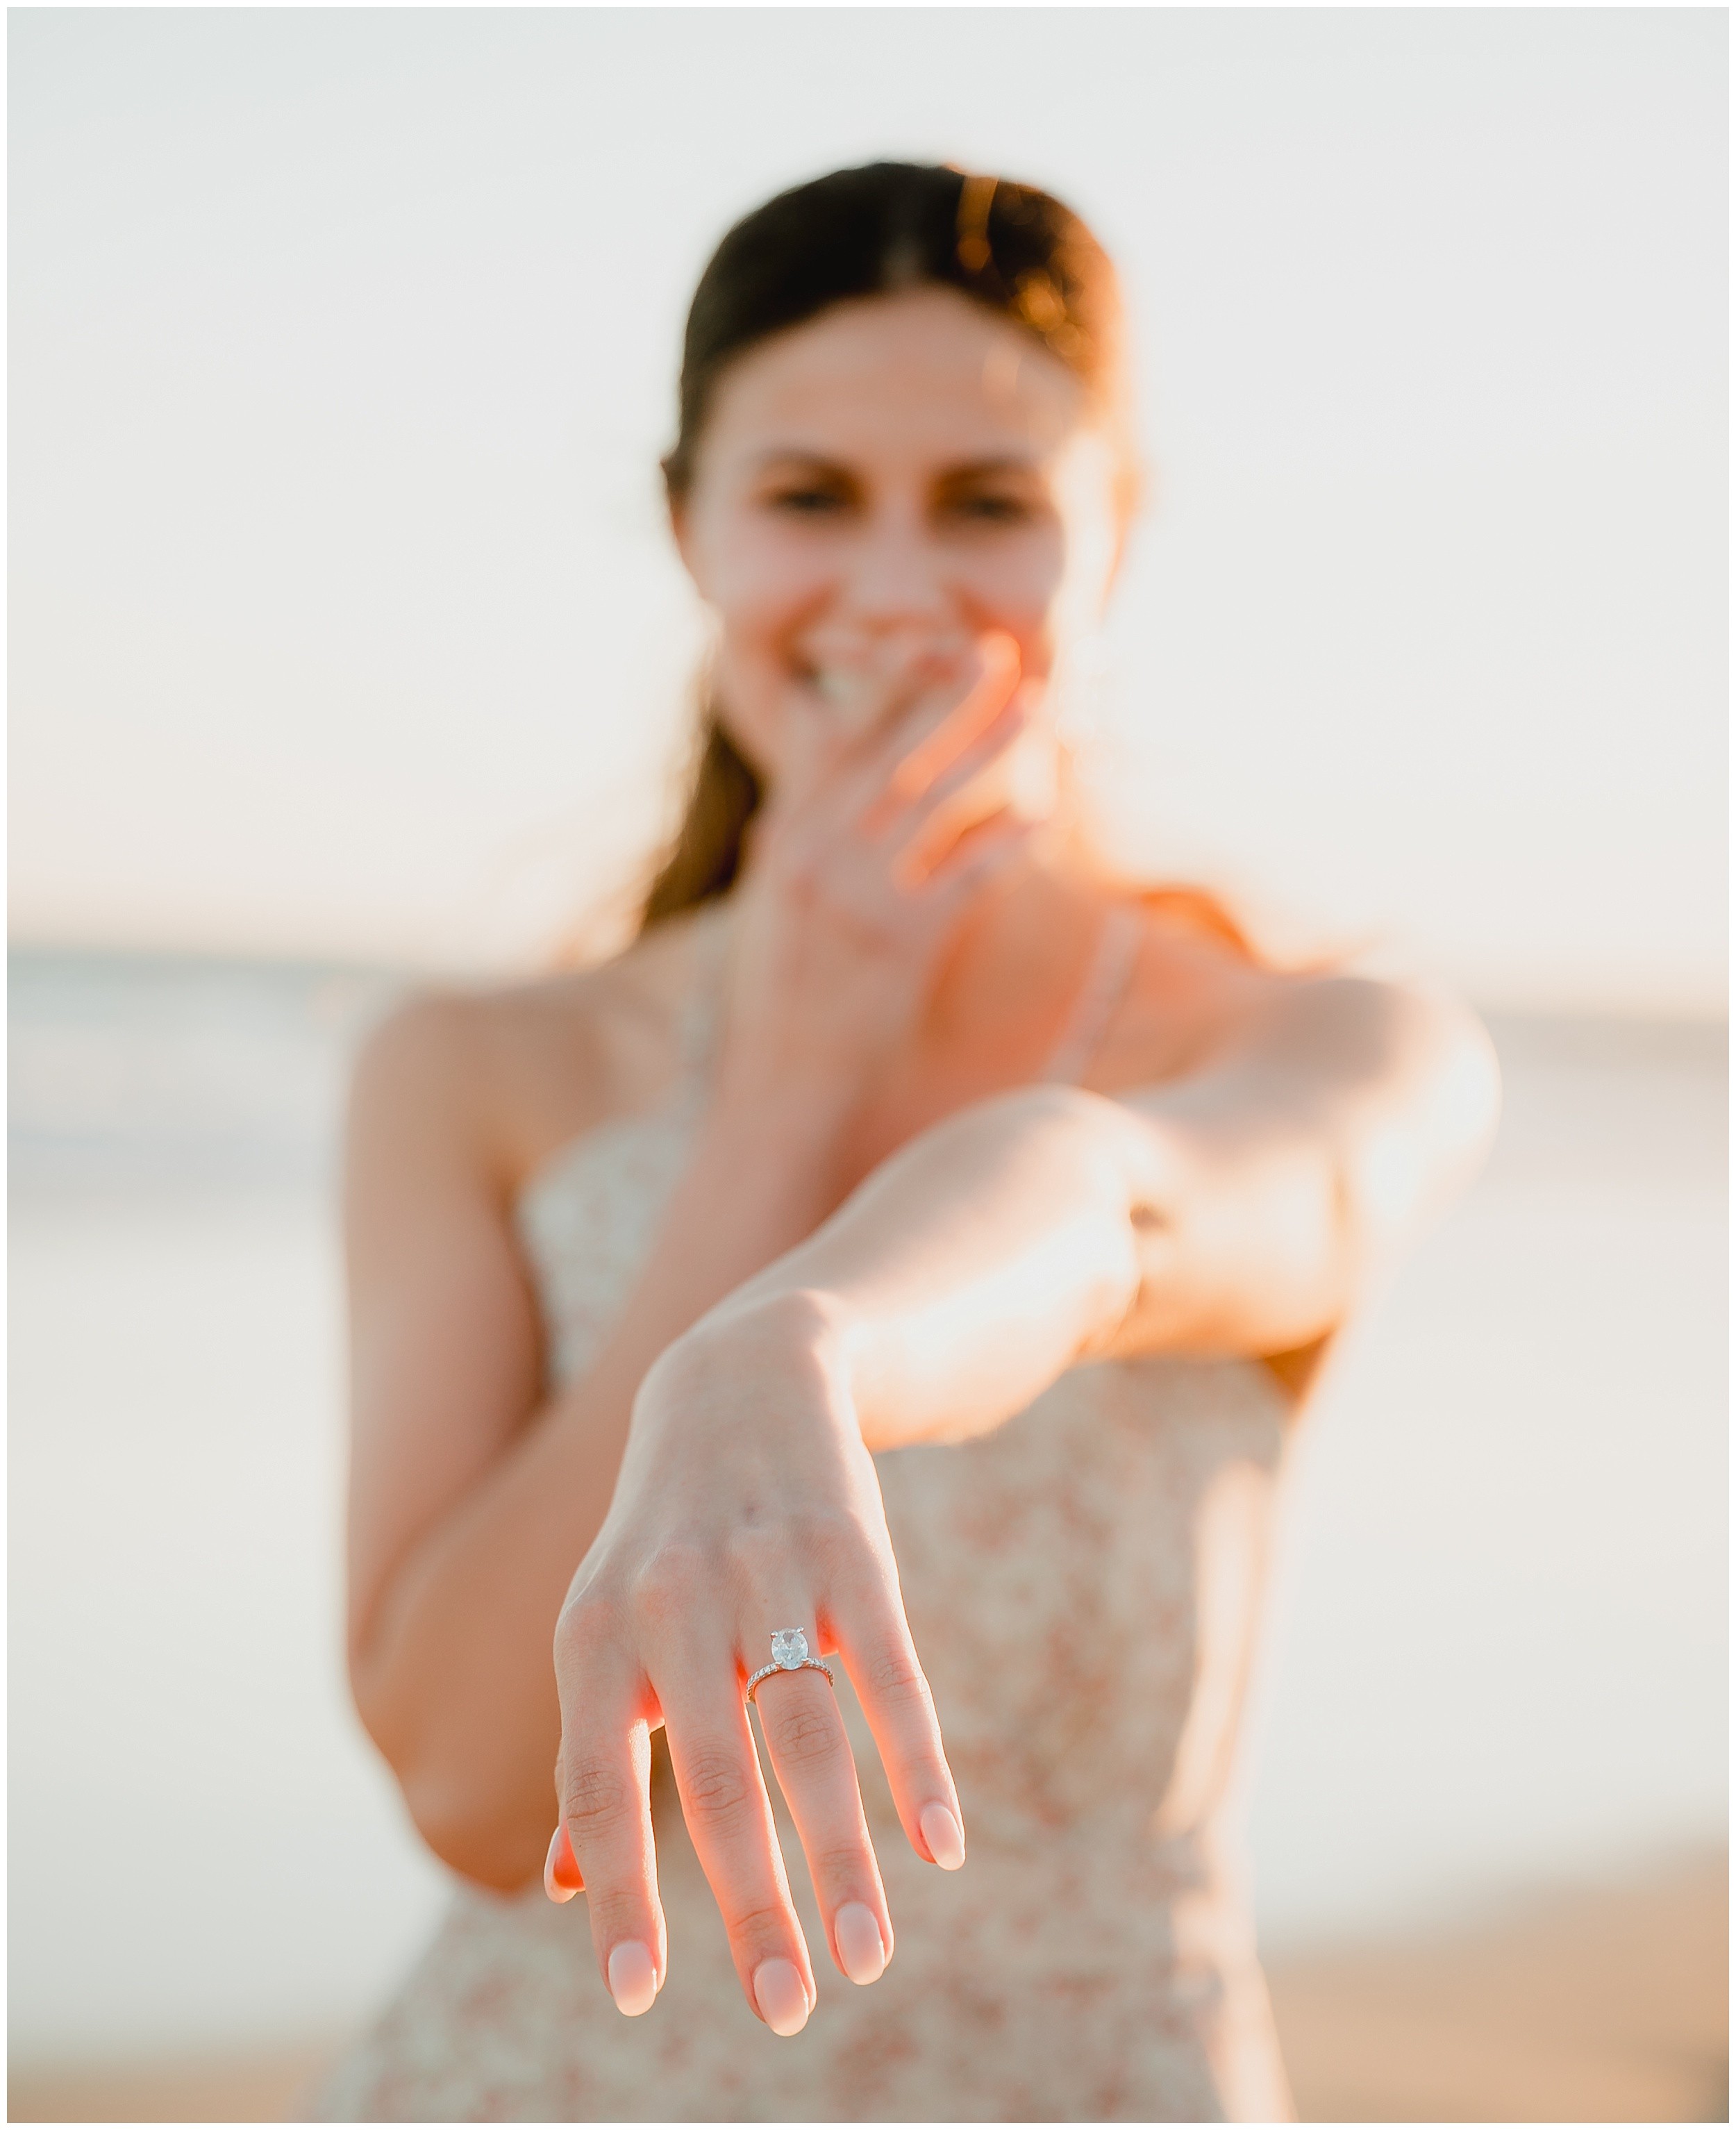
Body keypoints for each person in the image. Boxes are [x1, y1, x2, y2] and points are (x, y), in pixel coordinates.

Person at [319, 161, 1499, 2122]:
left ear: (1111, 543)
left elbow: (1110, 1203)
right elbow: (469, 1789)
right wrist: (773, 1106)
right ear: (689, 526)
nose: (890, 586)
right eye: (804, 498)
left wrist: (808, 1340)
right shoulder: (473, 1069)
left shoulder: (1322, 1043)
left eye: (987, 506)